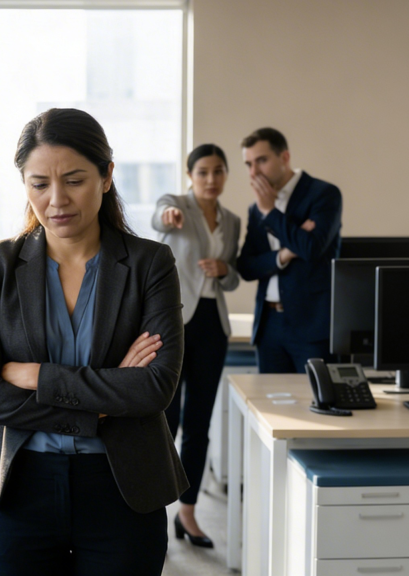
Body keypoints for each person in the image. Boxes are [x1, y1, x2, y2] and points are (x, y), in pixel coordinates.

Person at [0, 108, 187, 575]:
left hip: (122, 488)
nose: (57, 199)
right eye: (39, 183)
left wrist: (36, 375)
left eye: (75, 180)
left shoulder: (151, 264)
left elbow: (155, 388)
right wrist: (100, 400)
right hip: (17, 485)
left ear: (106, 177)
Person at [151, 143, 241, 547]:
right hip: (176, 323)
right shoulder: (177, 205)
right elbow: (158, 218)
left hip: (212, 325)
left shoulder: (233, 220)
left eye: (218, 171)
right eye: (202, 172)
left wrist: (224, 269)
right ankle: (152, 511)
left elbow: (234, 278)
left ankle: (187, 515)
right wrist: (167, 217)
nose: (211, 179)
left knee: (200, 424)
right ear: (190, 174)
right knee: (165, 421)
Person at [237, 128, 343, 373]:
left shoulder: (323, 194)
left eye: (261, 160)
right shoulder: (257, 209)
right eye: (248, 164)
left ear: (284, 157)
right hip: (269, 326)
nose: (254, 172)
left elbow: (310, 248)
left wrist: (271, 213)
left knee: (318, 403)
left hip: (312, 325)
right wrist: (284, 254)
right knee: (270, 405)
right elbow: (246, 266)